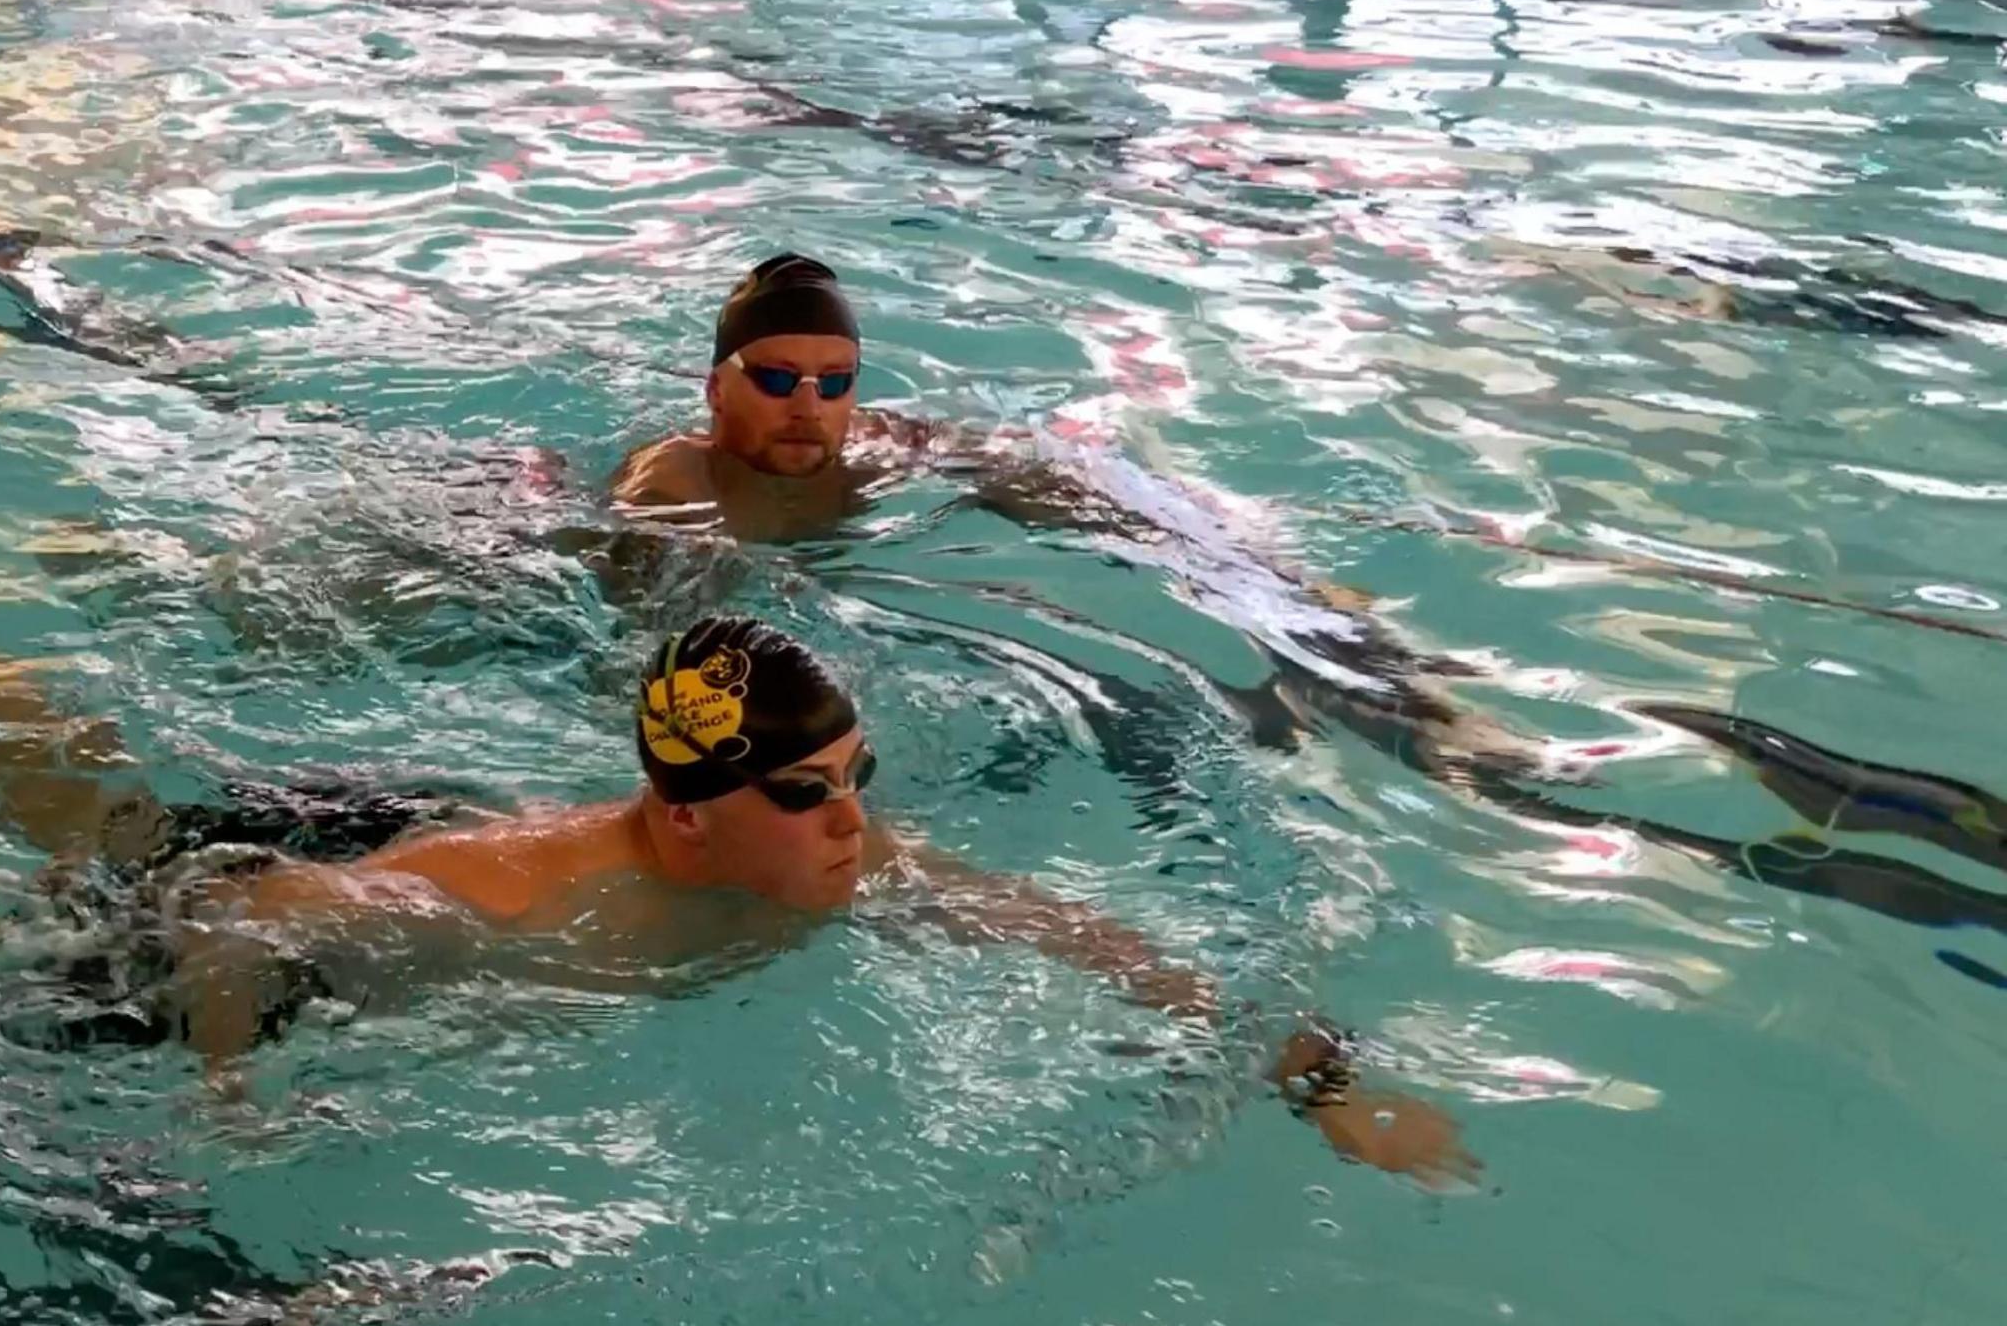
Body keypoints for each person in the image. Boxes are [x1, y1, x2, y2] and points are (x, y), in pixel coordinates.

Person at [0, 545, 1481, 1188]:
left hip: (381, 837)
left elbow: (1113, 950)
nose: (857, 822)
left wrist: (1326, 1088)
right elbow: (237, 921)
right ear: (684, 815)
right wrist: (221, 1103)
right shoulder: (536, 901)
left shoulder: (844, 863)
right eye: (809, 795)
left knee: (108, 821)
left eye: (858, 781)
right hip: (296, 923)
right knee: (38, 902)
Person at [609, 253, 2007, 979]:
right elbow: (666, 654)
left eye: (833, 381)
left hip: (923, 616)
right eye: (777, 380)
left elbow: (1094, 496)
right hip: (824, 679)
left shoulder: (888, 451)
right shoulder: (674, 488)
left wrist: (1283, 590)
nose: (810, 411)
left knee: (1350, 678)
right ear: (716, 381)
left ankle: (1683, 787)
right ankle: (1702, 833)